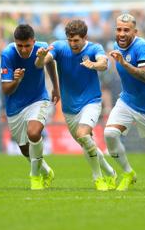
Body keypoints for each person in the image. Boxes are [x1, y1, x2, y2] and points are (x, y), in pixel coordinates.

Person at [35, 19, 116, 191]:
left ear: (84, 37)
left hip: (91, 102)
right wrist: (42, 57)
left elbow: (104, 63)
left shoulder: (94, 48)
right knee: (87, 144)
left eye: (76, 40)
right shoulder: (59, 46)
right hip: (69, 108)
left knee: (83, 134)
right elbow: (45, 60)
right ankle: (110, 172)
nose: (73, 44)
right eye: (70, 40)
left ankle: (98, 178)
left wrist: (93, 64)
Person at [1, 24, 60, 190]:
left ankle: (34, 177)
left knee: (34, 133)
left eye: (27, 45)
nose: (24, 49)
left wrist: (55, 87)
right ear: (15, 42)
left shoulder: (41, 48)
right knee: (25, 150)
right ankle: (46, 171)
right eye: (20, 45)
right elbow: (6, 89)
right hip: (15, 106)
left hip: (38, 99)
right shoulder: (8, 54)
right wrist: (16, 80)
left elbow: (50, 63)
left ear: (33, 41)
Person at [105, 13, 145, 191]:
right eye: (119, 29)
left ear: (135, 31)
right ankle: (127, 173)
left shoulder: (142, 47)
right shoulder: (116, 46)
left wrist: (124, 64)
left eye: (126, 30)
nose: (122, 33)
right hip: (127, 100)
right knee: (110, 134)